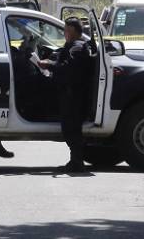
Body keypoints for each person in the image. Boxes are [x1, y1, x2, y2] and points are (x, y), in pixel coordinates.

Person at [39, 17, 91, 173]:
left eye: (66, 30)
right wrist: (52, 59)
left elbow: (68, 68)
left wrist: (49, 64)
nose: (64, 33)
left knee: (71, 129)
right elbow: (62, 56)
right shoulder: (72, 46)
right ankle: (75, 161)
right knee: (70, 129)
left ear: (74, 31)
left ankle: (77, 162)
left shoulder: (77, 48)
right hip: (70, 93)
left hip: (73, 94)